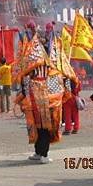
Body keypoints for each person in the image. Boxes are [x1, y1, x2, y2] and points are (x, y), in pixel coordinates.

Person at [15, 21, 75, 164]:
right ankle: (41, 153)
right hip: (43, 92)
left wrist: (23, 92)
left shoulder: (36, 55)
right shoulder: (47, 57)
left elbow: (23, 76)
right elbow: (66, 74)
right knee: (42, 123)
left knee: (42, 123)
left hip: (40, 92)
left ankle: (41, 152)